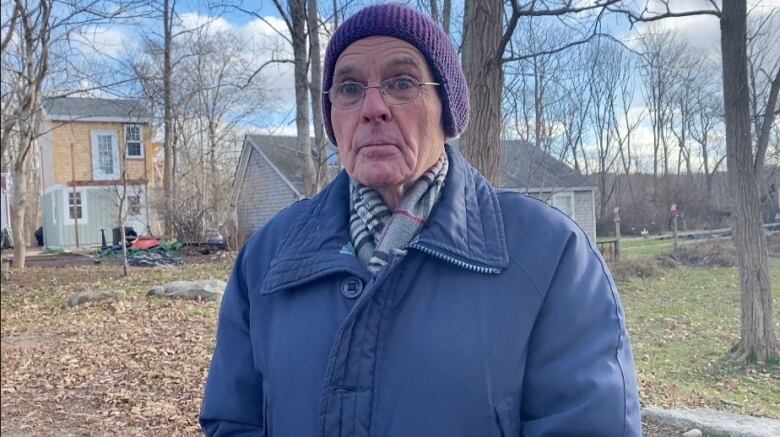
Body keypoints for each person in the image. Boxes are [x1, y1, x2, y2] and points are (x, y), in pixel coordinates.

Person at [200, 3, 641, 436]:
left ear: (446, 111)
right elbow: (233, 420)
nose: (373, 108)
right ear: (333, 119)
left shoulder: (550, 257)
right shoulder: (267, 259)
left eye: (402, 82)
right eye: (350, 89)